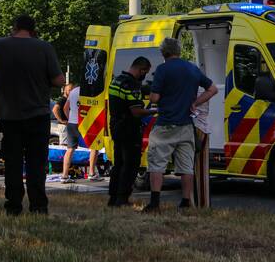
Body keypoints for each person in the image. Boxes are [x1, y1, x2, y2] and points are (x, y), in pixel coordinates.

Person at [0, 14, 65, 215]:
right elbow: (59, 80)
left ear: (14, 28)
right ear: (33, 30)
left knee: (13, 163)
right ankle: (38, 206)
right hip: (37, 115)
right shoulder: (44, 47)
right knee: (36, 164)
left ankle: (13, 207)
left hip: (9, 114)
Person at [144, 37, 216, 212]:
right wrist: (195, 103)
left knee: (157, 164)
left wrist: (152, 93)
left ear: (163, 52)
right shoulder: (192, 68)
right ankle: (185, 202)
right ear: (179, 51)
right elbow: (213, 89)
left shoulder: (162, 70)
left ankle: (154, 203)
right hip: (186, 126)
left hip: (165, 125)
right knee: (186, 166)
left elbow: (154, 98)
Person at [107, 56, 157, 207]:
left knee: (118, 164)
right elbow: (136, 111)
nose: (145, 76)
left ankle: (113, 197)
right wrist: (153, 111)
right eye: (145, 72)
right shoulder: (131, 84)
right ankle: (122, 198)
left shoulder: (116, 80)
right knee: (130, 164)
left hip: (116, 126)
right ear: (141, 69)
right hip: (129, 128)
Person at [60, 85, 101, 183]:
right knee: (94, 146)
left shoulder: (73, 91)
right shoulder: (91, 91)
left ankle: (64, 176)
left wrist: (69, 119)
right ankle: (91, 173)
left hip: (72, 123)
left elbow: (65, 108)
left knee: (70, 149)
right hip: (85, 123)